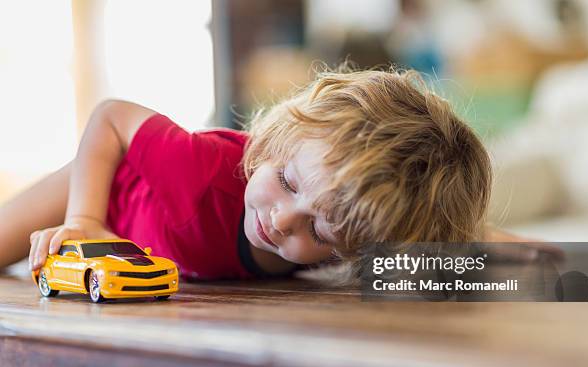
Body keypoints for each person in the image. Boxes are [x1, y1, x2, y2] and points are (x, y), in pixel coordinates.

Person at [0, 67, 529, 282]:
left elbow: (424, 236)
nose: (281, 219)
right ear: (280, 141)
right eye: (288, 183)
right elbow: (111, 117)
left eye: (319, 231)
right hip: (102, 188)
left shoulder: (364, 219)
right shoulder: (197, 171)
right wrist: (86, 218)